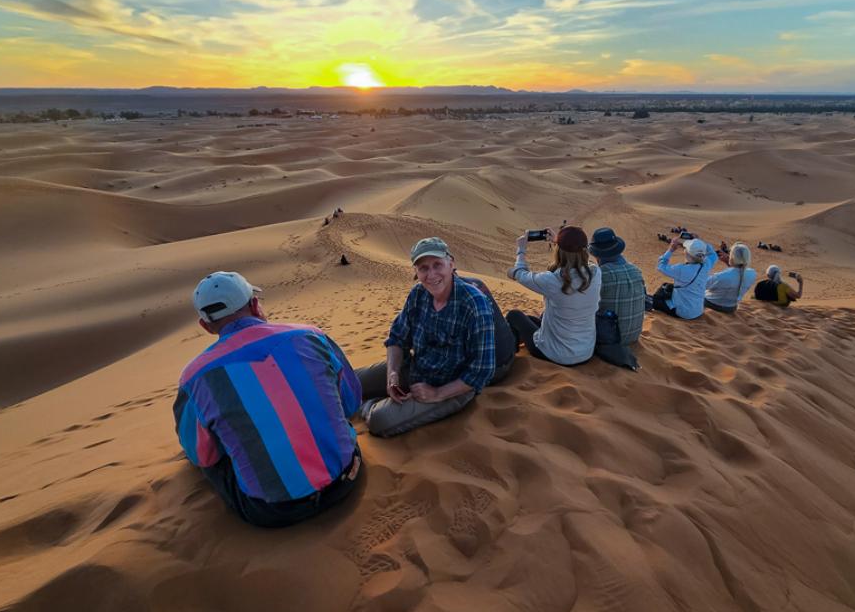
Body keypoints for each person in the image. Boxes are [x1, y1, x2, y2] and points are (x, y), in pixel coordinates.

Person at [174, 271, 363, 527]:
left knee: (204, 453)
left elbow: (203, 457)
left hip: (271, 511)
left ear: (206, 326)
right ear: (254, 305)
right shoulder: (310, 335)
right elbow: (351, 403)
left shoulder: (194, 377)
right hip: (348, 478)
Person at [356, 237, 496, 438]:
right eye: (423, 268)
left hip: (451, 387)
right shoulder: (418, 294)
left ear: (451, 264)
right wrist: (393, 374)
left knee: (380, 421)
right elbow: (397, 337)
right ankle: (369, 398)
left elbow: (482, 370)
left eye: (437, 265)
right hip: (416, 368)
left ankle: (368, 406)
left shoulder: (474, 304)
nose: (431, 275)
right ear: (416, 272)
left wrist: (437, 394)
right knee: (349, 379)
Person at [506, 226, 602, 365]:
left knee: (514, 316)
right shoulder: (595, 273)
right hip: (585, 352)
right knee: (531, 319)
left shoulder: (552, 281)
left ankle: (510, 359)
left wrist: (521, 250)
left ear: (559, 252)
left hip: (556, 355)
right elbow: (574, 256)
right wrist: (560, 241)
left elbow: (520, 273)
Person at [588, 227, 646, 345]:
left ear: (596, 253)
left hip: (608, 338)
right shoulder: (636, 270)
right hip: (634, 335)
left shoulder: (600, 274)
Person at [646, 237, 717, 319]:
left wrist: (670, 250)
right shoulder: (706, 264)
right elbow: (713, 254)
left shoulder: (682, 269)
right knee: (668, 286)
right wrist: (700, 244)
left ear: (686, 253)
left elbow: (660, 266)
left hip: (683, 313)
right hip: (698, 311)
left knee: (658, 298)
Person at [704, 242, 757, 314]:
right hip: (731, 307)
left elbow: (702, 284)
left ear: (731, 256)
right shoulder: (752, 273)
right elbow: (737, 273)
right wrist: (728, 262)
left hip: (712, 304)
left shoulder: (722, 276)